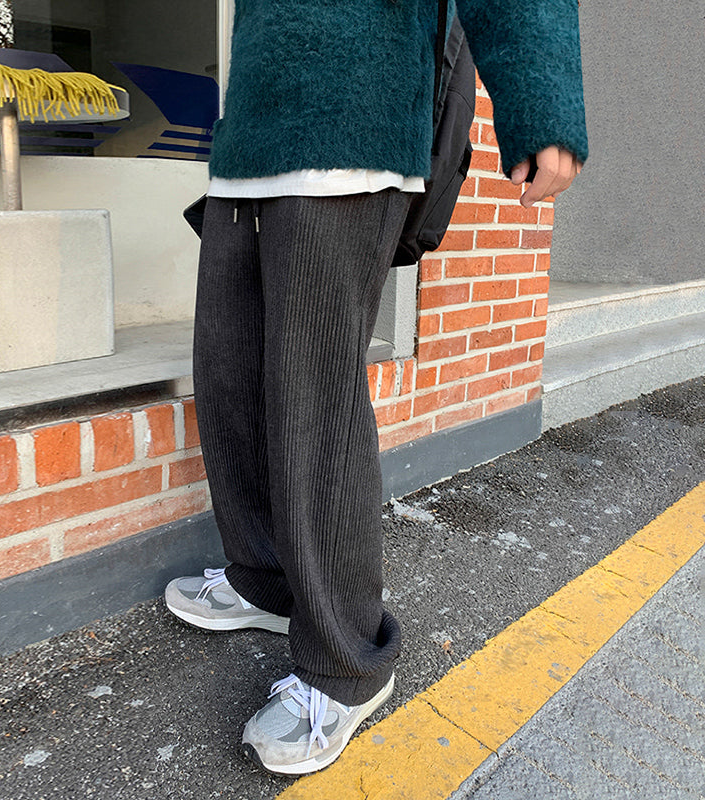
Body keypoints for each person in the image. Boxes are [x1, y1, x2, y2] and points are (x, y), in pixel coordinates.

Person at [165, 0, 588, 776]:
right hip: (251, 136)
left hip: (353, 121)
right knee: (231, 378)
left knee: (314, 403)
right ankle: (266, 580)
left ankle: (347, 662)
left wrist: (543, 104)